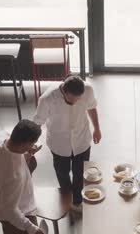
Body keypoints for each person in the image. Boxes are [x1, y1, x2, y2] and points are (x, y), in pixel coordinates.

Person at [33, 75, 101, 213]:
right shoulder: (47, 99)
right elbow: (37, 122)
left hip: (81, 140)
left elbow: (92, 108)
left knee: (79, 173)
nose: (75, 101)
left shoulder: (88, 90)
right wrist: (31, 144)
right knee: (62, 173)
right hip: (59, 144)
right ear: (64, 90)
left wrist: (97, 129)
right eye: (71, 99)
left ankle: (77, 201)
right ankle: (67, 198)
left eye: (78, 99)